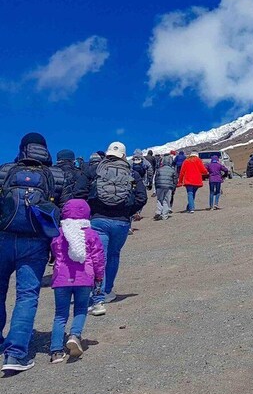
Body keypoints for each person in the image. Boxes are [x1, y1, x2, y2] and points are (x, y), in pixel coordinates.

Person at [0, 133, 63, 373]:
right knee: (26, 296)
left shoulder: (6, 170)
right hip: (36, 243)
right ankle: (15, 355)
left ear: (23, 149)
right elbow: (63, 211)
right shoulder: (55, 175)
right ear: (45, 150)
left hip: (3, 238)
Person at [73, 141, 147, 316]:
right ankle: (108, 291)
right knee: (114, 255)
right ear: (123, 155)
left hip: (98, 220)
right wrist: (128, 211)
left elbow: (78, 192)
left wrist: (90, 210)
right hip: (121, 222)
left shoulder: (94, 170)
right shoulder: (131, 173)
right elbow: (142, 197)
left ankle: (96, 295)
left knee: (99, 257)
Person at [48, 199, 104, 363]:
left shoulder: (58, 233)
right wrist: (99, 276)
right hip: (84, 278)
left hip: (61, 279)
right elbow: (98, 258)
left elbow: (54, 251)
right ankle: (74, 335)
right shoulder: (91, 234)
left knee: (60, 315)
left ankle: (56, 351)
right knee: (80, 309)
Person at [153, 155, 176, 220]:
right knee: (166, 201)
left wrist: (156, 187)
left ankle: (158, 211)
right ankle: (164, 215)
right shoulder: (172, 170)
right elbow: (175, 180)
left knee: (159, 199)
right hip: (169, 187)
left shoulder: (159, 169)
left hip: (159, 186)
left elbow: (156, 179)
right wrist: (173, 188)